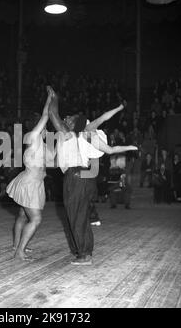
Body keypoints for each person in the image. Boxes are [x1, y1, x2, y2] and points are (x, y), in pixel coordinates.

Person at [48, 87, 138, 265]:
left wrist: (53, 98)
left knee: (75, 215)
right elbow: (109, 141)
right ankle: (84, 251)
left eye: (70, 118)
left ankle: (83, 254)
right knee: (80, 215)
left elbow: (52, 113)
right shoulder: (82, 135)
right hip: (84, 177)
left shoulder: (68, 133)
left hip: (75, 176)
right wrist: (129, 146)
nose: (66, 118)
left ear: (74, 124)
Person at [6, 86, 53, 261]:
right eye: (43, 125)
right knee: (36, 219)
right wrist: (50, 99)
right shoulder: (33, 136)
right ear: (38, 125)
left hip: (33, 181)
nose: (45, 126)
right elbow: (46, 115)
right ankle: (19, 252)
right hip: (30, 183)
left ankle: (16, 245)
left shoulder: (38, 139)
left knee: (22, 215)